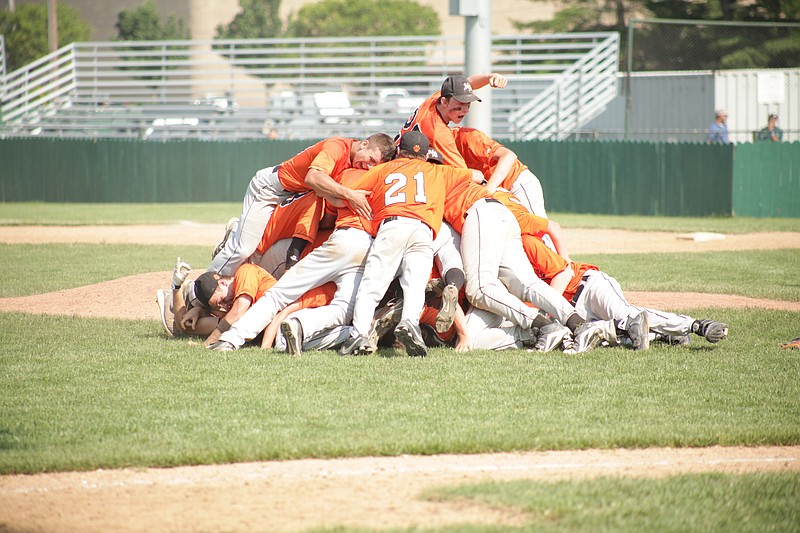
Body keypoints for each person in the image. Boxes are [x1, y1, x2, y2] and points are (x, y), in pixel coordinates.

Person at [338, 130, 480, 357]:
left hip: (392, 225)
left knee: (372, 285)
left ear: (399, 152)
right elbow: (476, 175)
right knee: (414, 284)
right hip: (422, 230)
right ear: (424, 156)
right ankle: (410, 324)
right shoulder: (438, 171)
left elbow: (354, 192)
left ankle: (359, 334)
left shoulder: (385, 168)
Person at [208, 133, 396, 277]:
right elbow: (313, 177)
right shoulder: (337, 147)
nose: (369, 167)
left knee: (259, 246)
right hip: (271, 190)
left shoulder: (354, 163)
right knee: (243, 249)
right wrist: (350, 195)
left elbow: (324, 193)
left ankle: (235, 232)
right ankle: (203, 289)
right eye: (371, 159)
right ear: (364, 144)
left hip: (299, 195)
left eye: (375, 165)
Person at [396, 73, 507, 168]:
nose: (465, 110)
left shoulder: (436, 99)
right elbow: (463, 174)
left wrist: (489, 77)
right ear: (444, 102)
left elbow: (469, 83)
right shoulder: (439, 134)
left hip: (394, 155)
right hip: (400, 167)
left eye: (468, 105)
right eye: (460, 104)